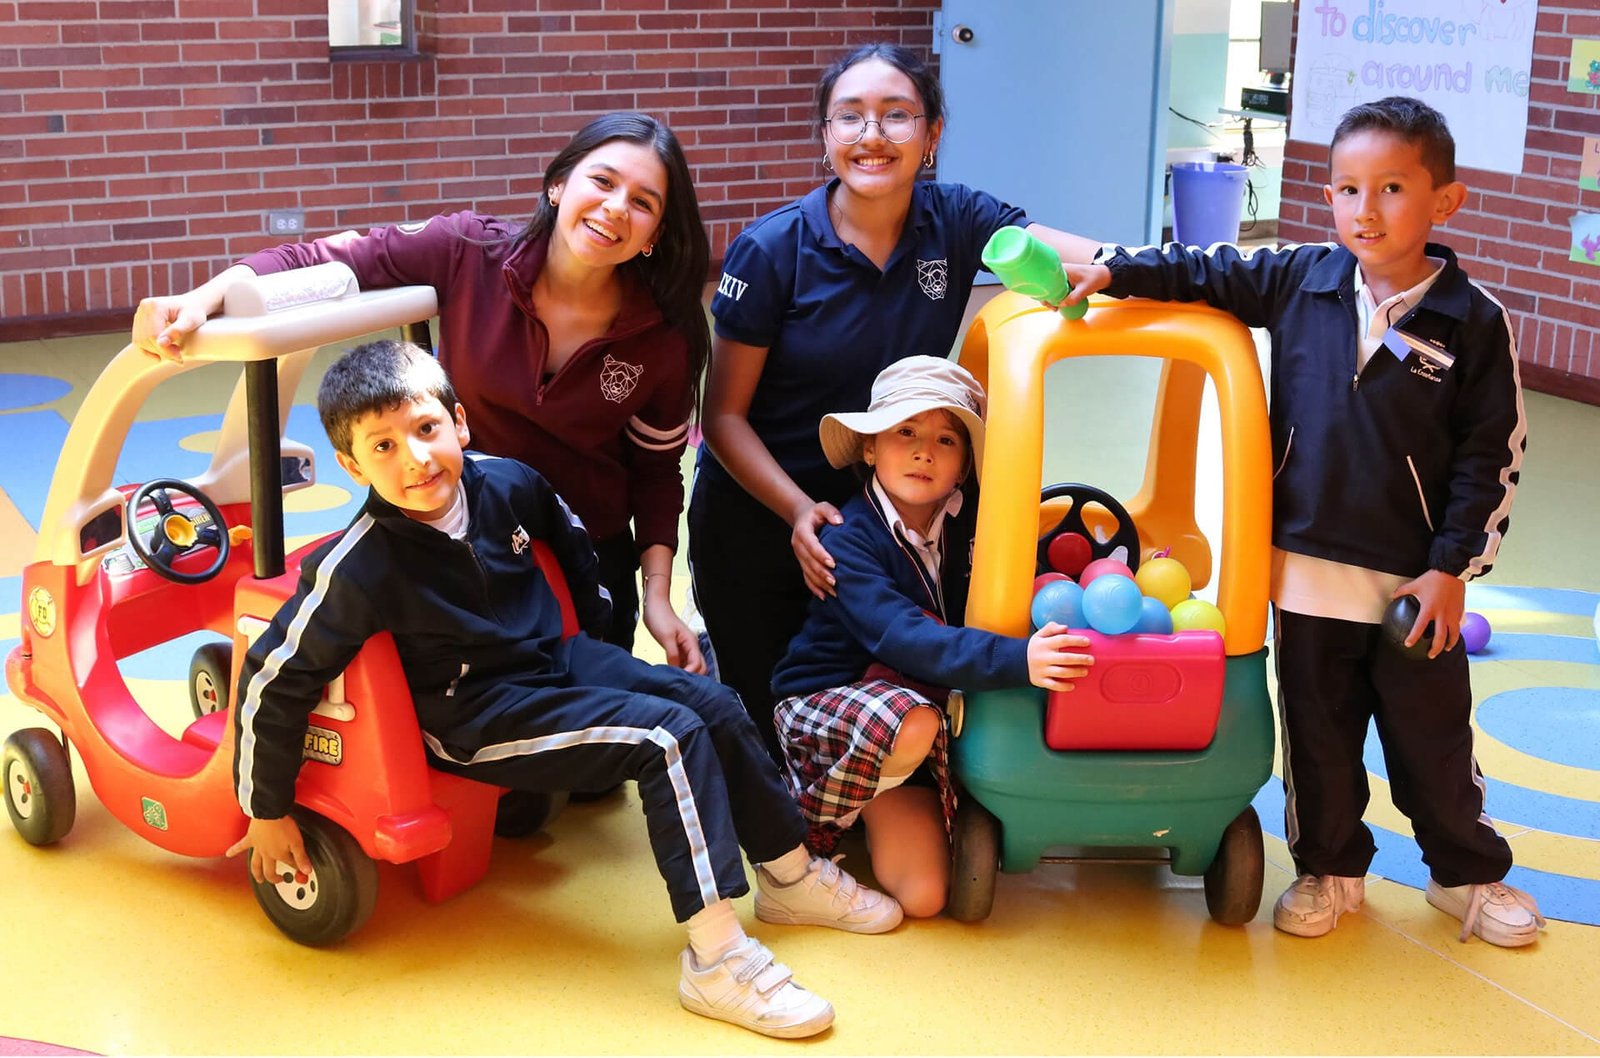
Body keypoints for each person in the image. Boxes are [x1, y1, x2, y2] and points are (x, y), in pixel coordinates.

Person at [227, 340, 904, 1039]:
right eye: (384, 446)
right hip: (477, 714)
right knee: (665, 740)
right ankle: (717, 960)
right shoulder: (359, 566)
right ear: (351, 465)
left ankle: (791, 877)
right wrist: (266, 809)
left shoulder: (509, 483)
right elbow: (274, 676)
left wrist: (603, 644)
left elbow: (572, 541)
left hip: (558, 658)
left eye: (425, 431)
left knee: (713, 702)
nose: (415, 459)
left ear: (458, 423)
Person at [1055, 96, 1542, 947]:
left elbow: (1490, 459)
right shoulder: (1300, 278)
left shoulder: (1475, 321)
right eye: (1347, 189)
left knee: (1430, 741)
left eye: (1391, 188)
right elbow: (1199, 270)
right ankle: (1330, 867)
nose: (1366, 210)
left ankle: (1465, 872)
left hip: (1412, 583)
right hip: (1304, 571)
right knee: (1318, 736)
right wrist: (1115, 270)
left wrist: (1452, 569)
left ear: (1445, 201)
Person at [133, 112, 705, 671]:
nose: (614, 208)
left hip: (584, 563)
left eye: (642, 202)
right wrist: (206, 296)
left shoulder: (663, 335)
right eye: (603, 181)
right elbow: (316, 258)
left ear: (655, 233)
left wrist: (658, 594)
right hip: (454, 541)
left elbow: (656, 474)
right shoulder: (467, 250)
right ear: (559, 184)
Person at [692, 43, 1104, 760]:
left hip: (882, 512)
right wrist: (795, 511)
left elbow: (1092, 257)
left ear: (933, 133)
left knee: (875, 685)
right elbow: (721, 419)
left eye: (896, 116)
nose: (871, 135)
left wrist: (1121, 273)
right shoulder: (772, 252)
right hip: (761, 518)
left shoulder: (957, 220)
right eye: (848, 117)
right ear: (825, 135)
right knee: (763, 738)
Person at [769, 356, 1094, 917]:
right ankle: (815, 818)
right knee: (910, 719)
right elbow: (905, 636)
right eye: (906, 431)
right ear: (870, 448)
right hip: (832, 709)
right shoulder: (848, 540)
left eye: (946, 440)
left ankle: (867, 800)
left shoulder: (974, 529)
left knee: (924, 898)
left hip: (916, 725)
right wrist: (1021, 660)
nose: (925, 451)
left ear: (964, 465)